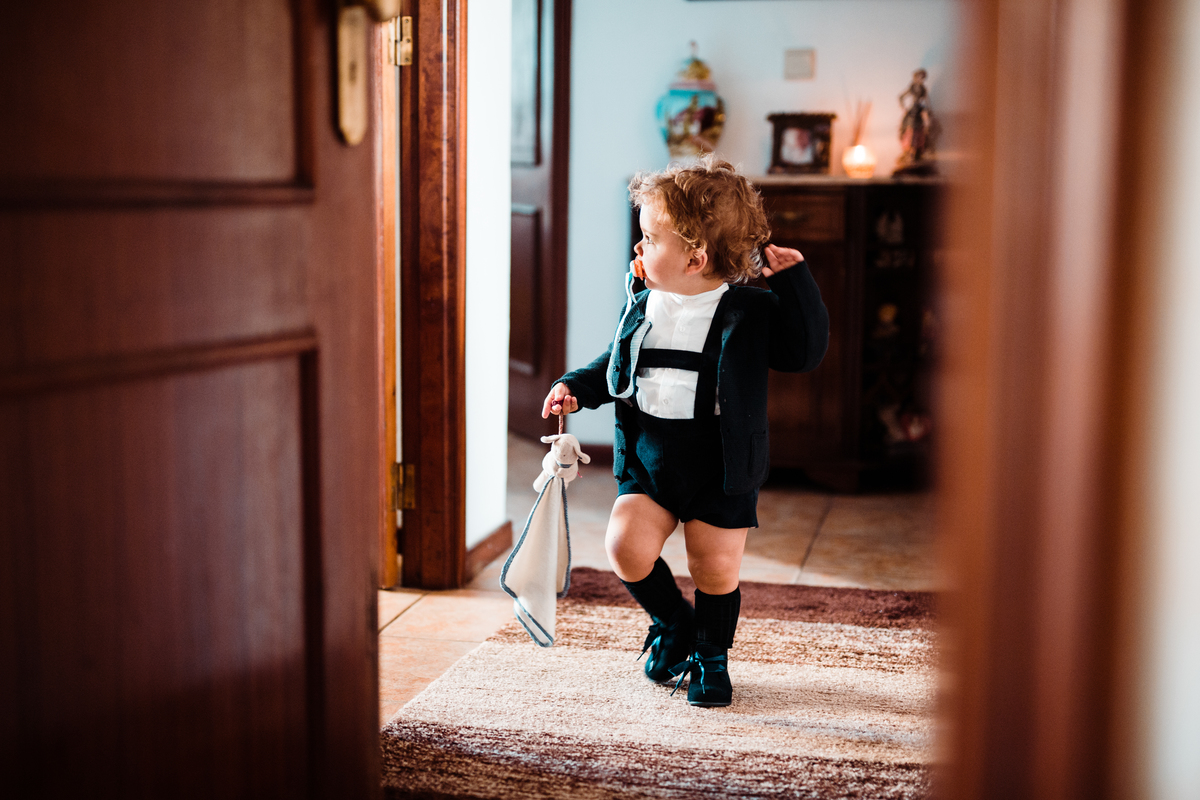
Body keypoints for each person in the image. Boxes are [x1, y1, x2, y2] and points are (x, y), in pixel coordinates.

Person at [540, 156, 829, 706]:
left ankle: (710, 657)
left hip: (720, 465)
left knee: (713, 566)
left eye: (650, 238)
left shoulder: (750, 311)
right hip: (651, 458)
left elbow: (804, 353)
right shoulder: (642, 301)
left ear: (695, 258)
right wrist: (575, 386)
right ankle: (674, 622)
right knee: (625, 546)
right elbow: (616, 363)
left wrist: (796, 283)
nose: (638, 247)